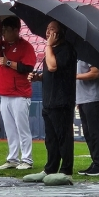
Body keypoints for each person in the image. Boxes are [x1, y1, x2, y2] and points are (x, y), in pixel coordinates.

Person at [23, 21, 78, 184]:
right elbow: (51, 73)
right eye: (47, 28)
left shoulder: (67, 49)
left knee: (63, 137)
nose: (48, 32)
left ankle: (66, 171)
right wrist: (38, 77)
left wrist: (48, 46)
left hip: (62, 101)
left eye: (52, 29)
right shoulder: (52, 50)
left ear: (60, 33)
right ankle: (50, 168)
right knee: (51, 139)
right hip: (49, 101)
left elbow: (53, 67)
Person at [0, 16, 36, 170]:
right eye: (3, 30)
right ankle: (12, 158)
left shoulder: (25, 46)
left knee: (22, 128)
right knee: (10, 129)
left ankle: (27, 159)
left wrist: (8, 62)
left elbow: (28, 68)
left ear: (16, 30)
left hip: (20, 93)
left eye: (6, 31)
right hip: (4, 93)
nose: (4, 34)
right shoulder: (2, 45)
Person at [76, 60, 99, 176]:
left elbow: (95, 73)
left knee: (95, 132)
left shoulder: (91, 54)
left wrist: (76, 76)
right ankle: (95, 163)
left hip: (93, 97)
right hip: (83, 98)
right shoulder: (79, 54)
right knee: (88, 133)